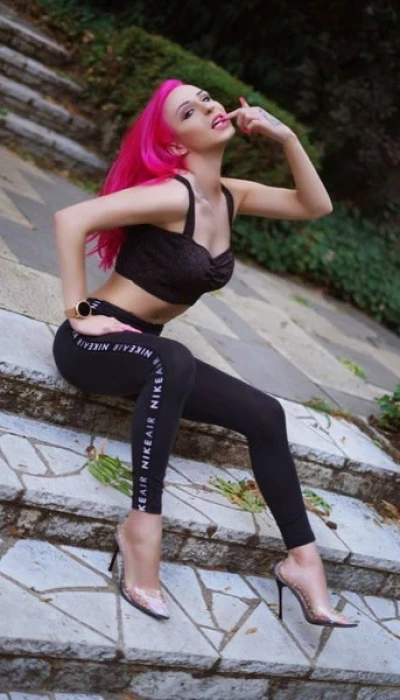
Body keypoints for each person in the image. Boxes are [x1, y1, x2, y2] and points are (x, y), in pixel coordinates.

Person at [52, 78, 357, 628]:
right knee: (173, 359)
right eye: (189, 111)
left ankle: (303, 560)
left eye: (207, 99)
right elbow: (70, 219)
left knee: (266, 413)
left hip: (148, 354)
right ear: (174, 143)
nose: (210, 107)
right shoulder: (173, 195)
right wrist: (78, 312)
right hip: (93, 343)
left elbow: (315, 205)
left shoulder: (231, 196)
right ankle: (141, 529)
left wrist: (286, 138)